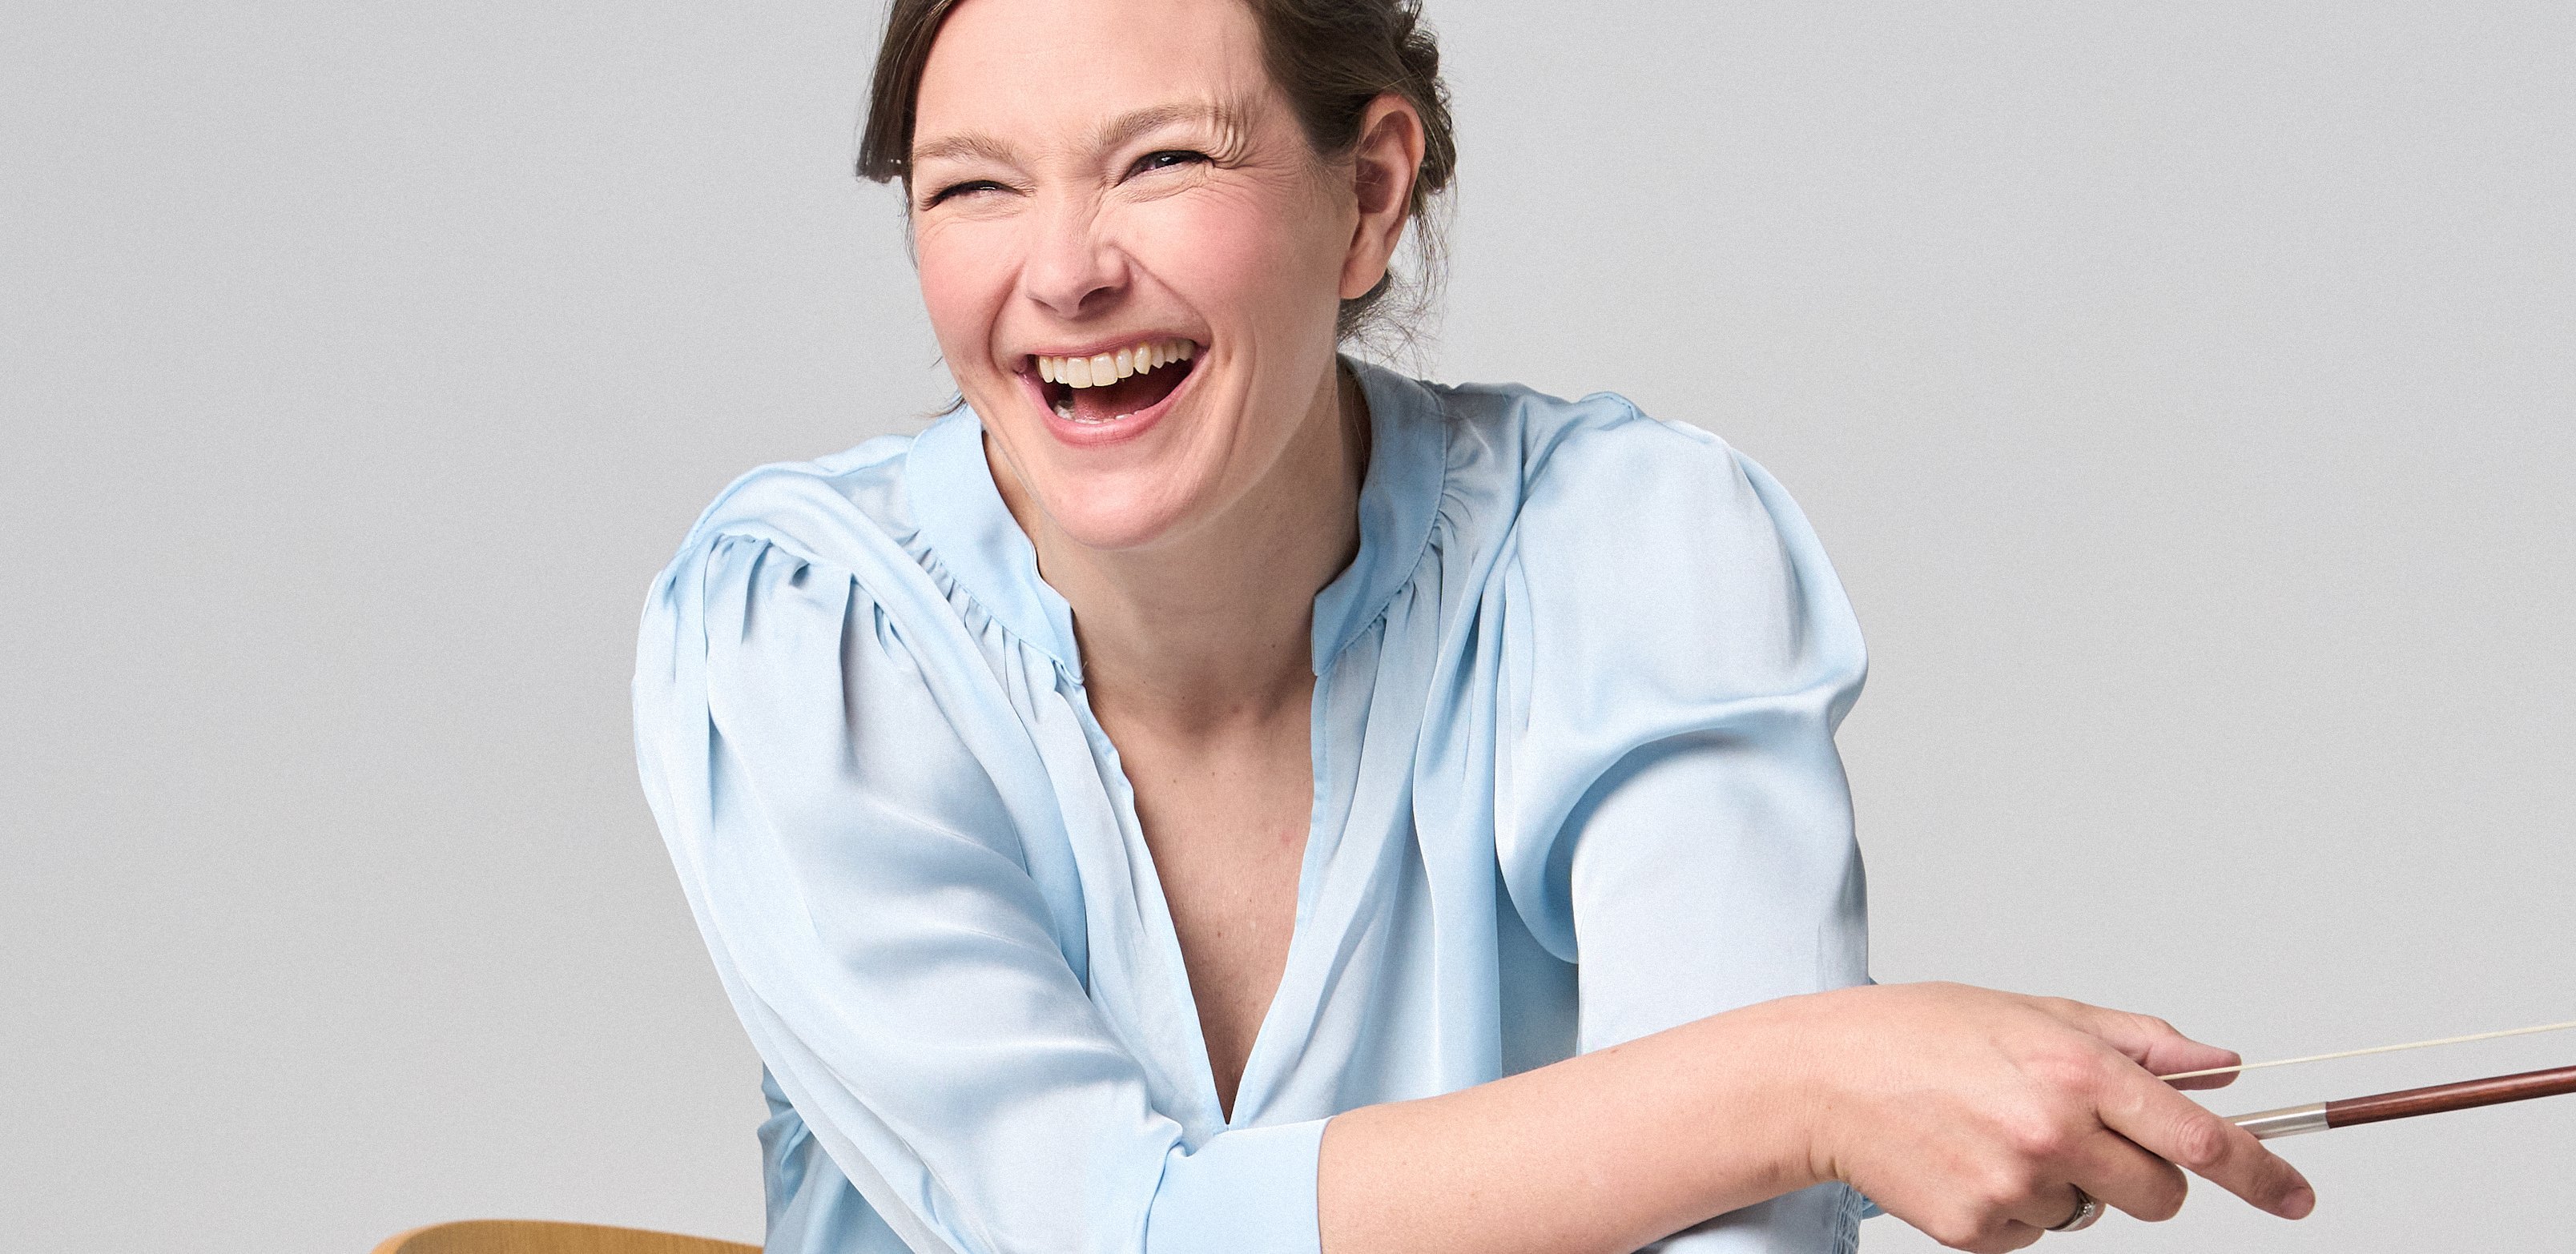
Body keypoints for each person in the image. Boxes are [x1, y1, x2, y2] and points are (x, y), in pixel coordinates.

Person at [630, 1, 2317, 1251]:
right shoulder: (806, 636)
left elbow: (1741, 1238)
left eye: (1162, 161)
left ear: (1369, 193)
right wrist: (1802, 1085)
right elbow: (1100, 1235)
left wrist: (1800, 1109)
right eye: (973, 188)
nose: (1065, 273)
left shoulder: (1626, 552)